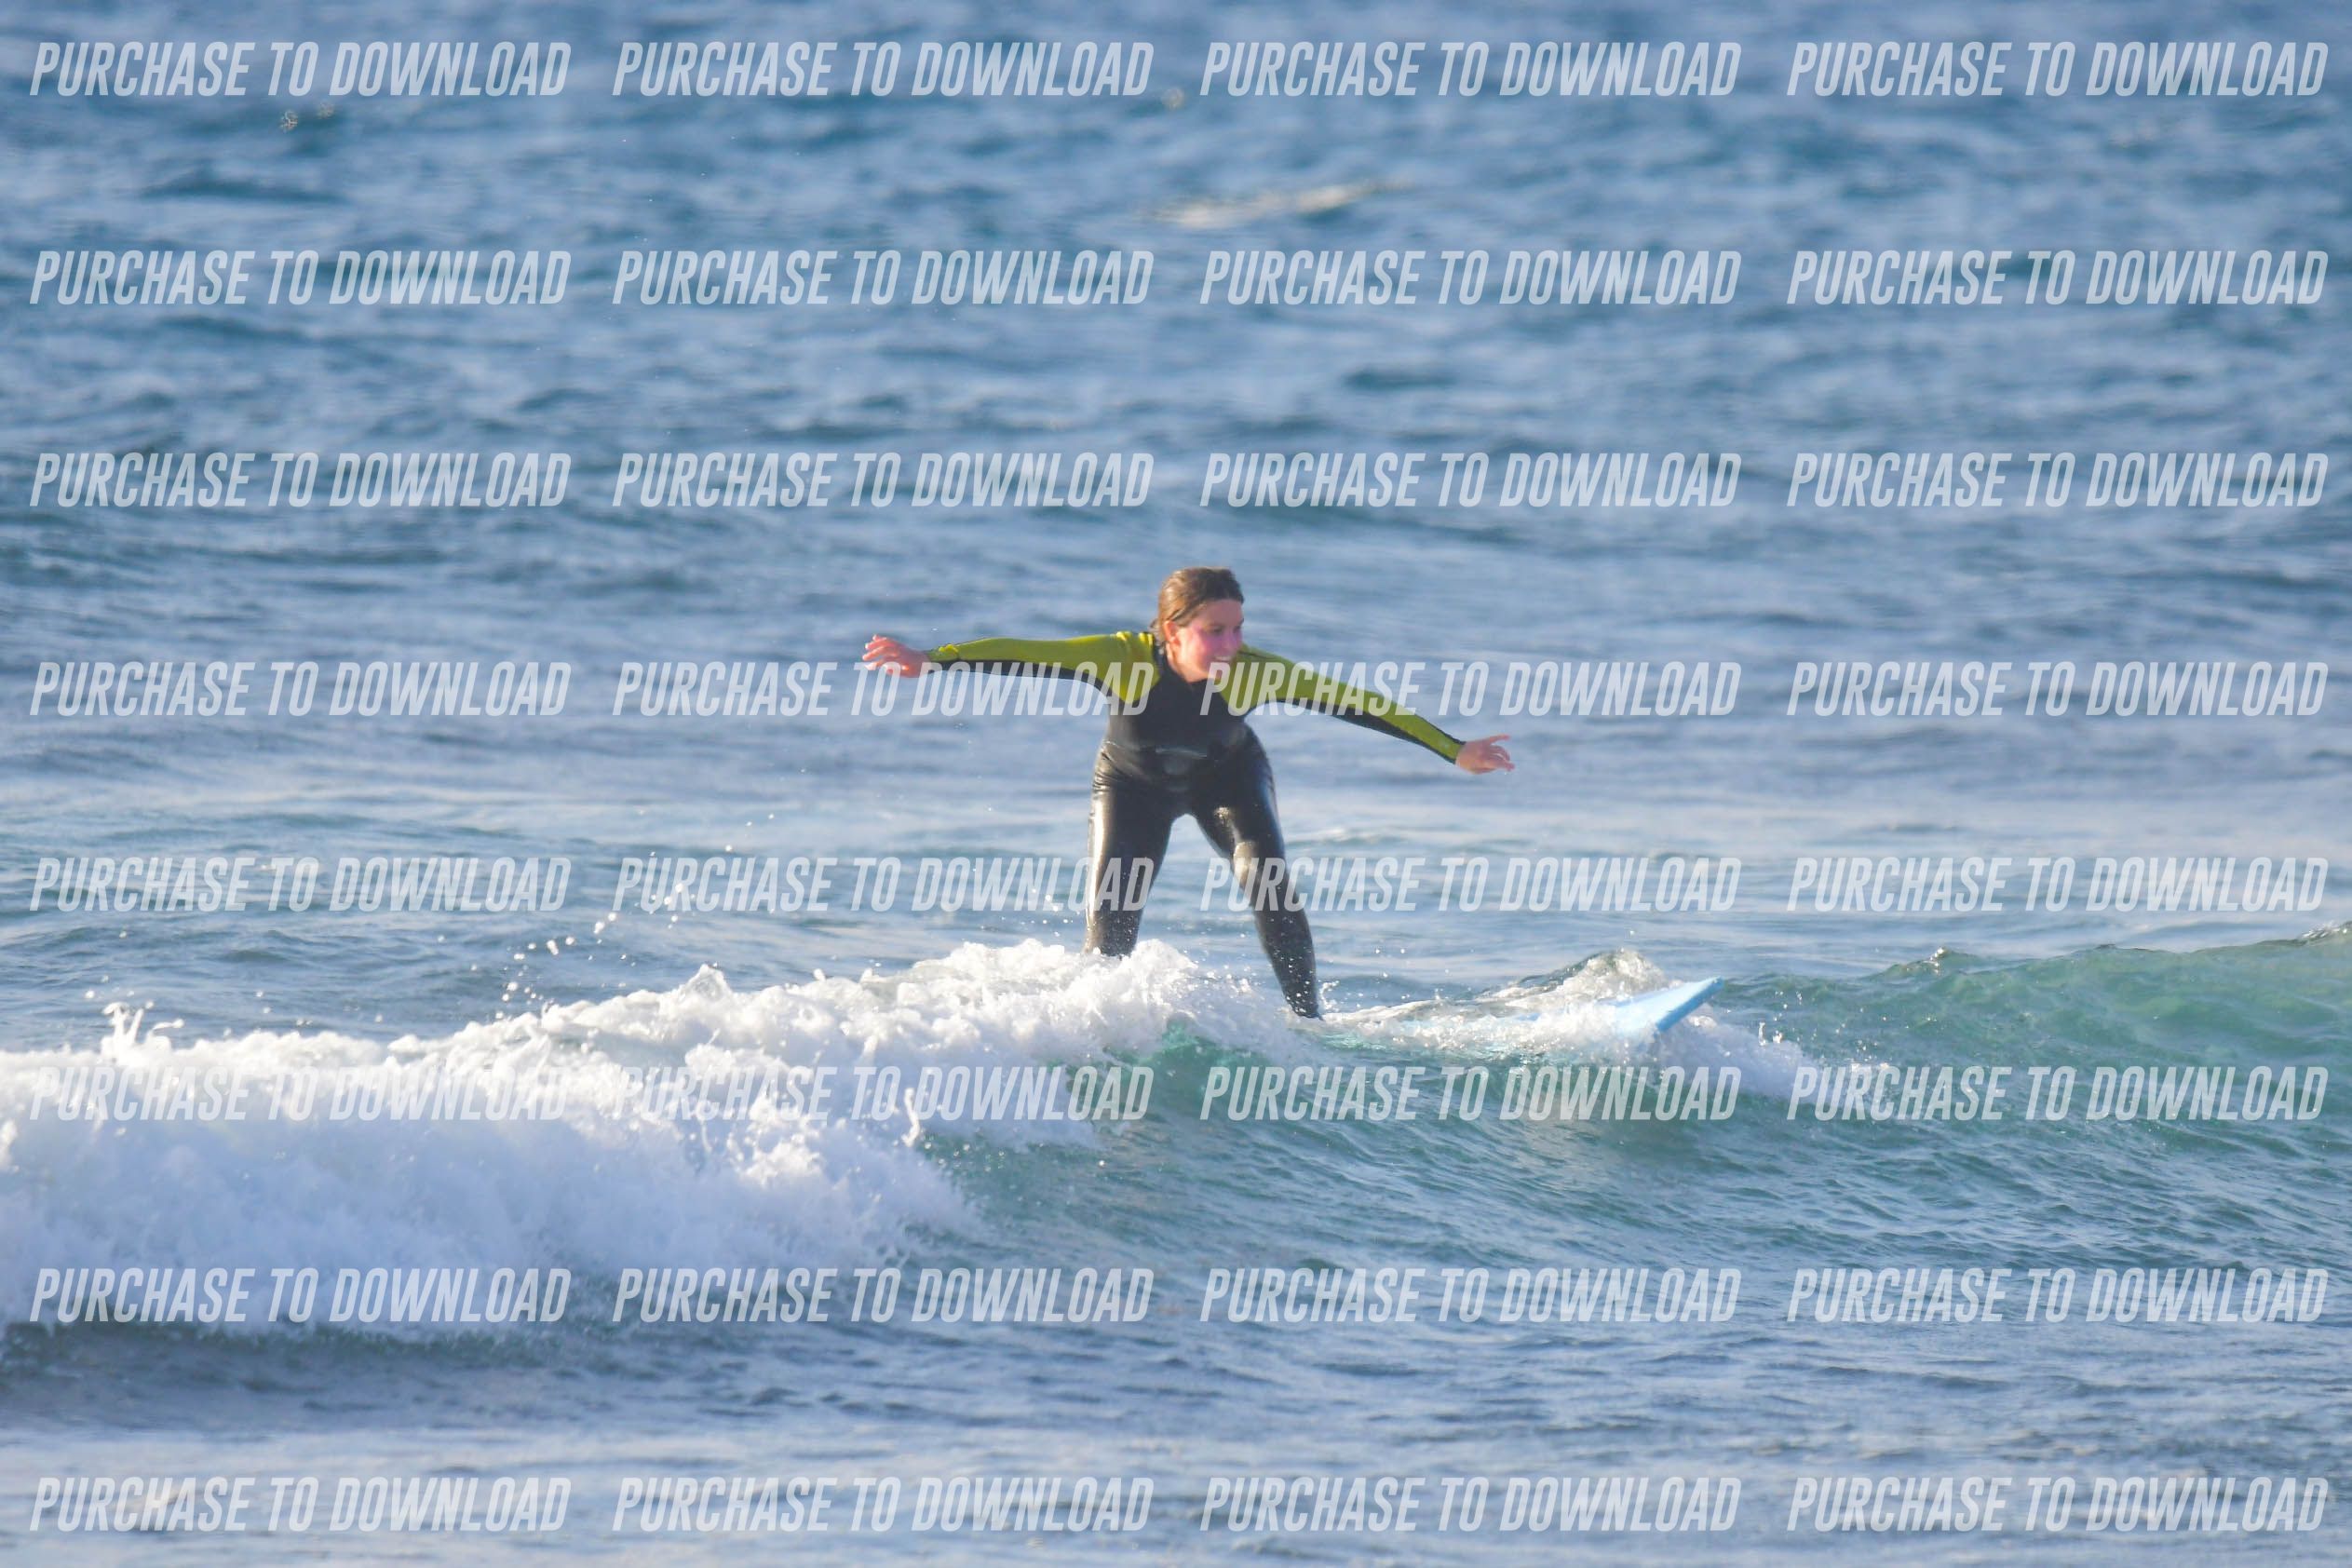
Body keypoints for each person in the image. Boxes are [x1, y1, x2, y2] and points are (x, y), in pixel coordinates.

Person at [861, 567, 1511, 1017]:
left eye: (1238, 628)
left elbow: (1360, 704)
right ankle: (1099, 1029)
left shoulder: (1255, 673)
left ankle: (1309, 1022)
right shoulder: (1124, 658)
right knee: (1112, 921)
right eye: (1214, 631)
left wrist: (1454, 749)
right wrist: (932, 660)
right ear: (1171, 631)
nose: (1232, 644)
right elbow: (1027, 654)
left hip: (1227, 777)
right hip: (1131, 785)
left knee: (1268, 880)